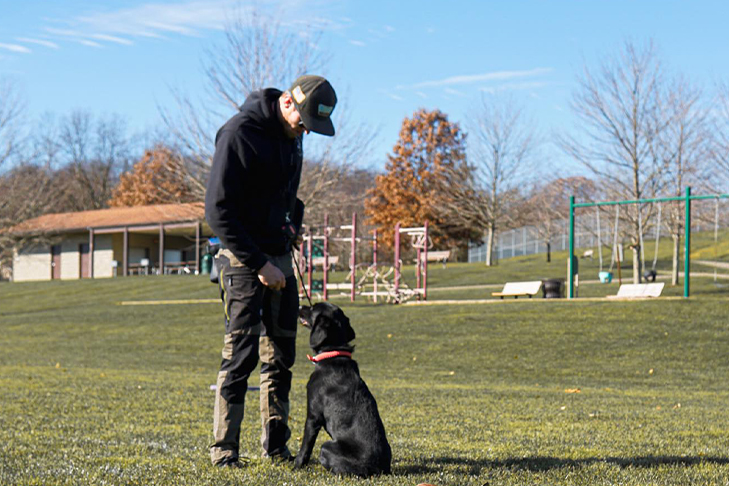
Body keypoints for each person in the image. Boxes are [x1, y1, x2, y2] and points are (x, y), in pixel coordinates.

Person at [205, 75, 337, 467]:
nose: (305, 133)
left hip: (280, 255)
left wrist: (292, 224)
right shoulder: (238, 134)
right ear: (288, 104)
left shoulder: (293, 136)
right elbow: (218, 211)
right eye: (304, 124)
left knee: (281, 356)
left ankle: (276, 446)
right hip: (242, 258)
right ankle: (224, 451)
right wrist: (259, 262)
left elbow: (287, 195)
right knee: (241, 355)